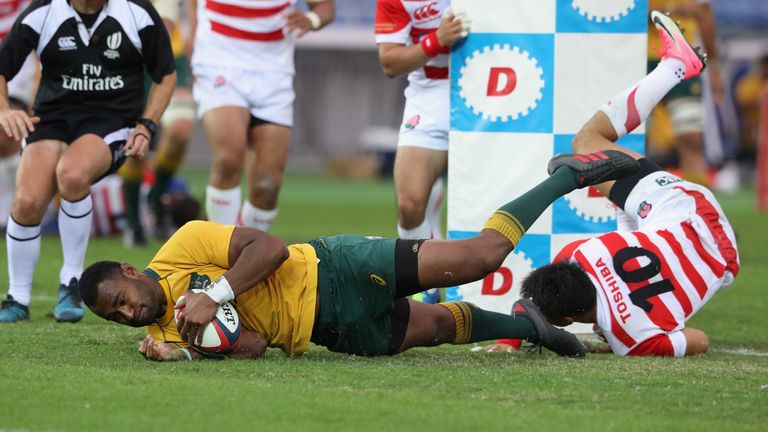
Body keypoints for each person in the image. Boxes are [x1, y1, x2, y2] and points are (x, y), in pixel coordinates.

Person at [78, 143, 643, 360]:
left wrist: (214, 293)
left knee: (481, 258)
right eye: (115, 317)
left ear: (131, 272)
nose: (129, 315)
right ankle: (532, 328)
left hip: (335, 268)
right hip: (330, 331)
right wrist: (201, 348)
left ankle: (567, 174)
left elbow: (270, 248)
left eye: (122, 299)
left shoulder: (181, 248)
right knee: (443, 328)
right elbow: (252, 346)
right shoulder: (163, 338)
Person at [515, 11, 738, 357]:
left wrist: (631, 330)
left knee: (616, 192)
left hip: (722, 261)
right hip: (686, 209)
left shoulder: (634, 342)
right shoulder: (577, 255)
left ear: (572, 319)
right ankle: (675, 67)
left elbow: (699, 339)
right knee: (589, 141)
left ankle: (606, 175)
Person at [0, 0, 176, 323]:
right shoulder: (44, 12)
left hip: (113, 122)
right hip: (52, 119)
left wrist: (147, 124)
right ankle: (18, 297)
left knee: (72, 173)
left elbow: (166, 75)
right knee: (26, 201)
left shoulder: (136, 12)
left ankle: (71, 282)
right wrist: (4, 109)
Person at [195, 0, 334, 231]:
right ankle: (216, 257)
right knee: (229, 157)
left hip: (273, 74)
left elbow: (325, 7)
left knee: (267, 185)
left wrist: (312, 19)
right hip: (218, 62)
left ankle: (252, 256)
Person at [375, 0, 470, 303]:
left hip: (493, 88)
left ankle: (491, 287)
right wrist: (436, 40)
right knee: (410, 202)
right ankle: (424, 281)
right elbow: (389, 62)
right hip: (430, 93)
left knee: (492, 194)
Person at [646, 0, 722, 186]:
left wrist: (714, 67)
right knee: (635, 137)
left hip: (684, 59)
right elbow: (629, 13)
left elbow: (704, 14)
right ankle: (630, 204)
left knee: (691, 138)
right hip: (641, 58)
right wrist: (672, 10)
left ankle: (700, 207)